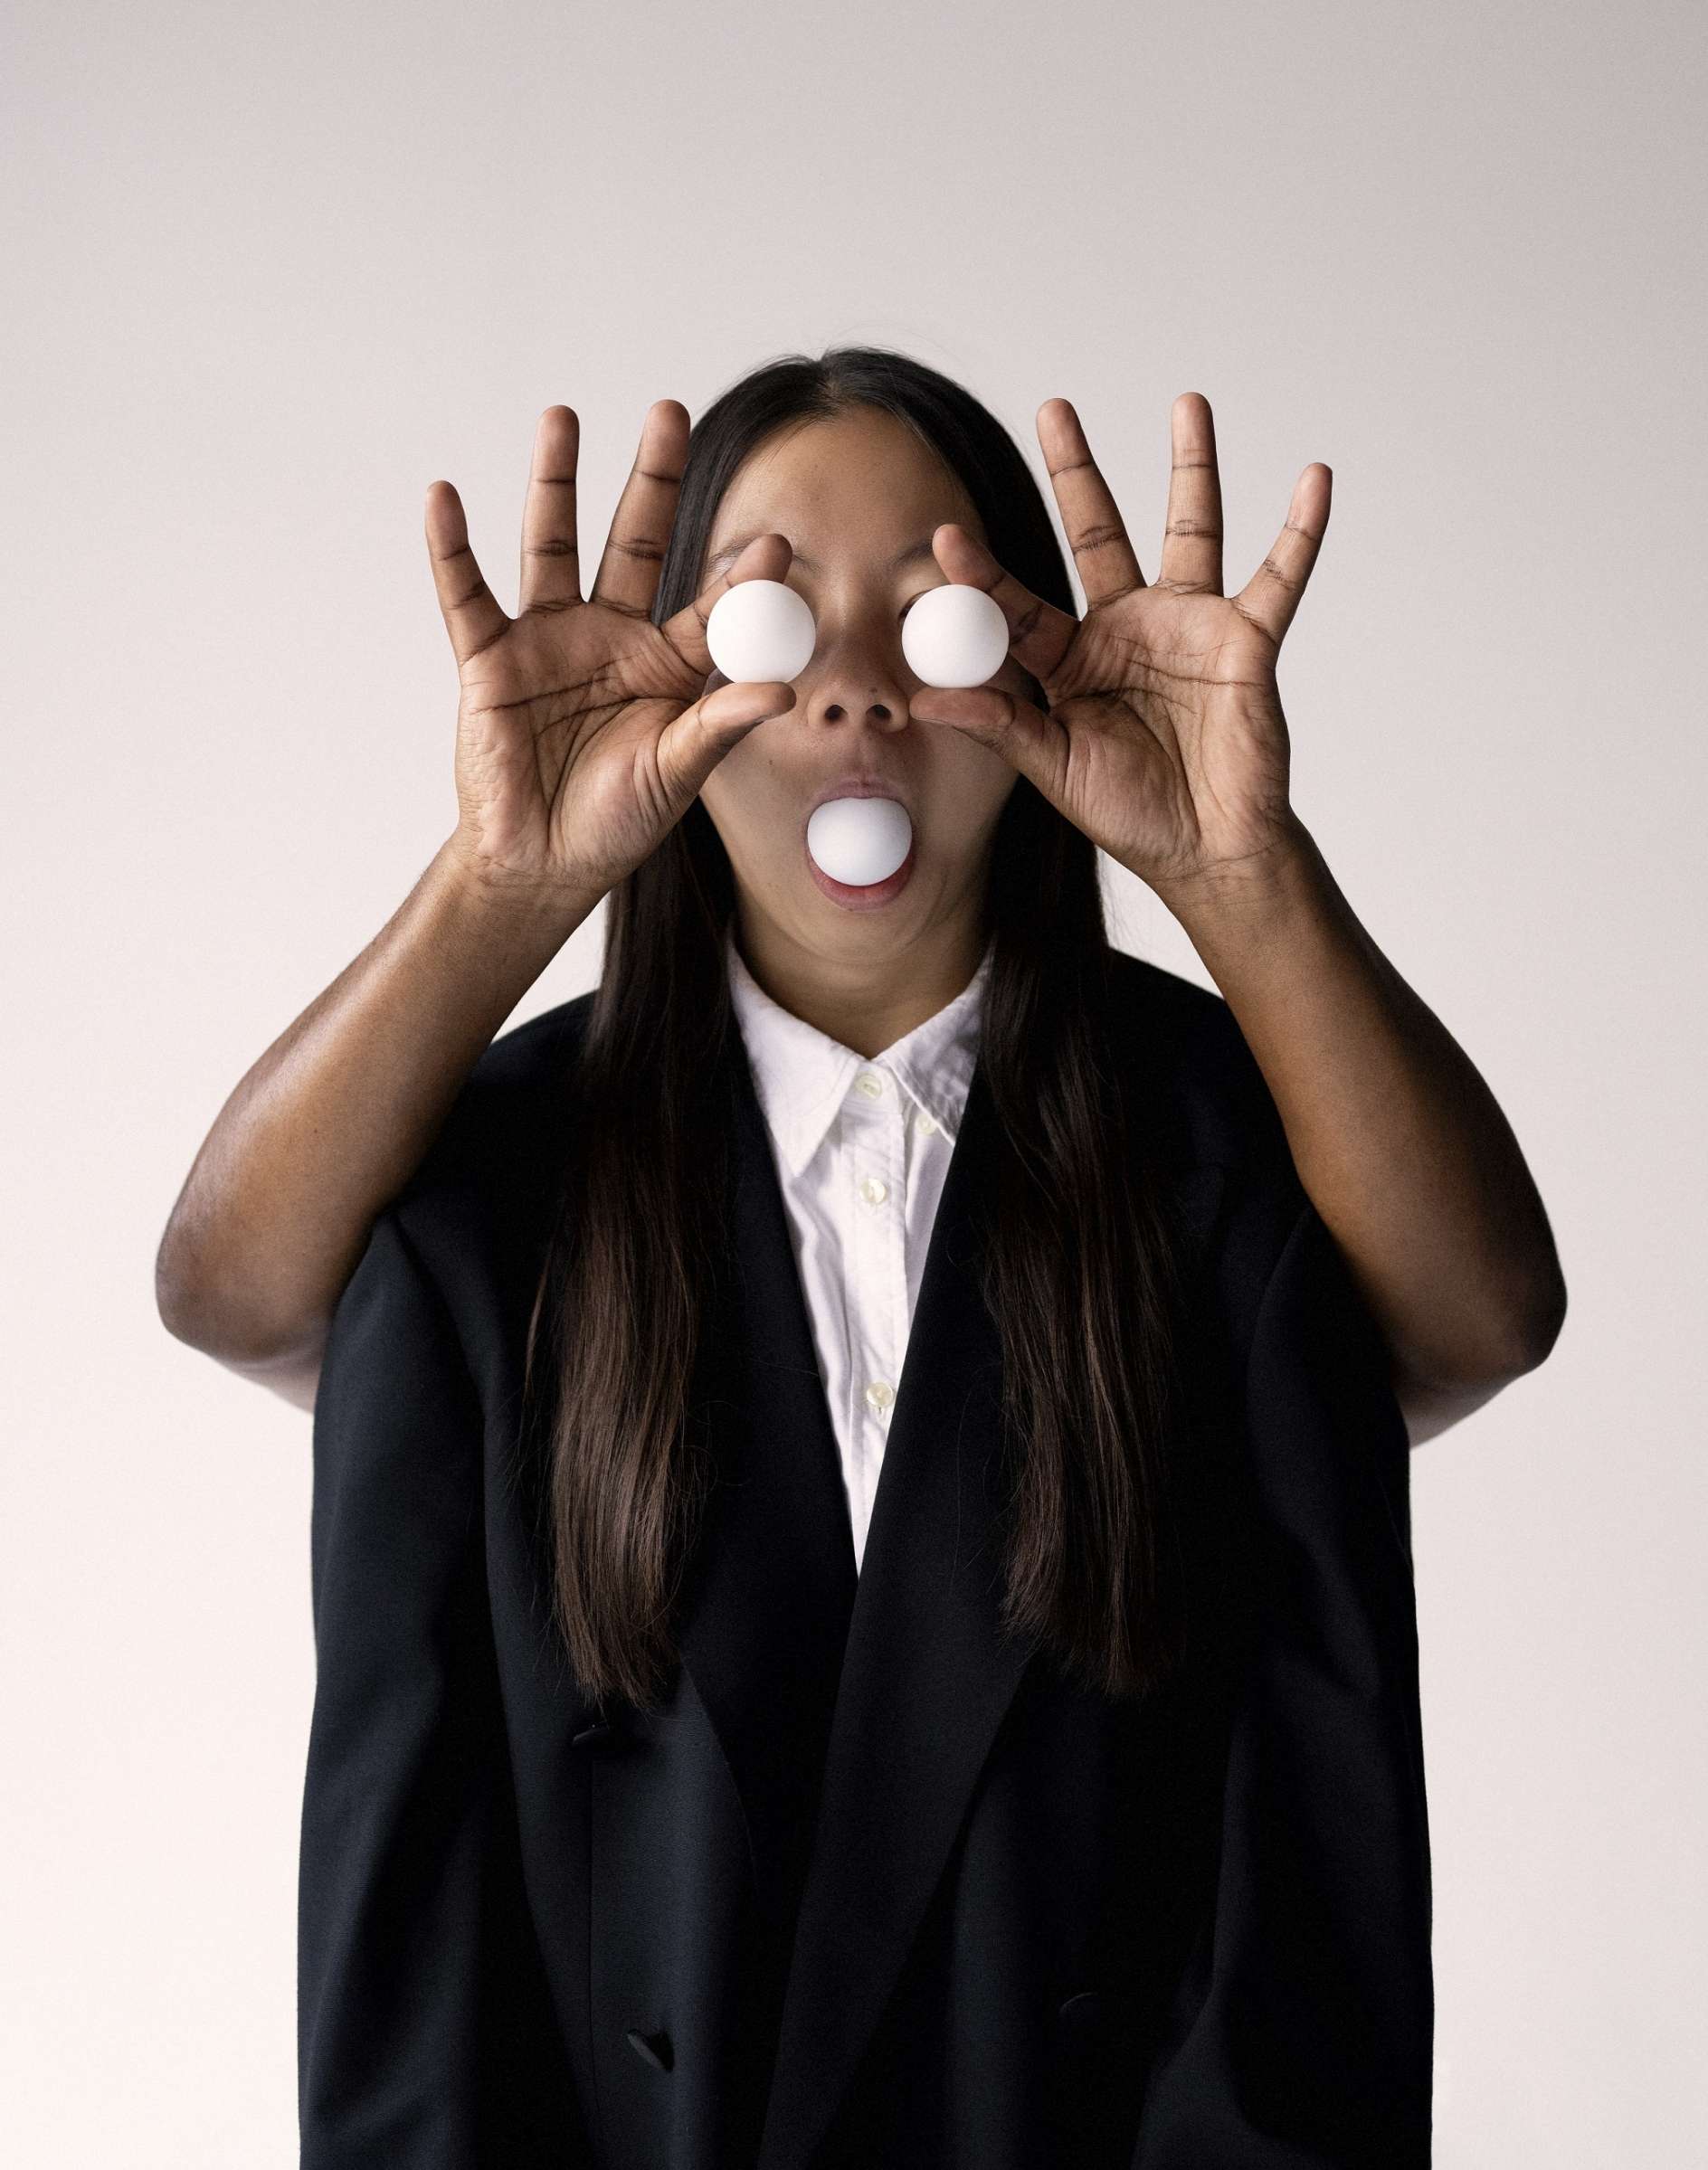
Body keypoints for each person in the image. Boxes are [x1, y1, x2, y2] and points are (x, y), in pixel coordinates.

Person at [158, 346, 1565, 2166]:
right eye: (767, 616)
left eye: (935, 614)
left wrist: (1236, 871)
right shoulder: (482, 1208)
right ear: (673, 682)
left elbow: (1483, 1313)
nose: (853, 690)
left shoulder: (1230, 1174)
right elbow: (228, 1289)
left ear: (1037, 669)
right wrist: (505, 883)